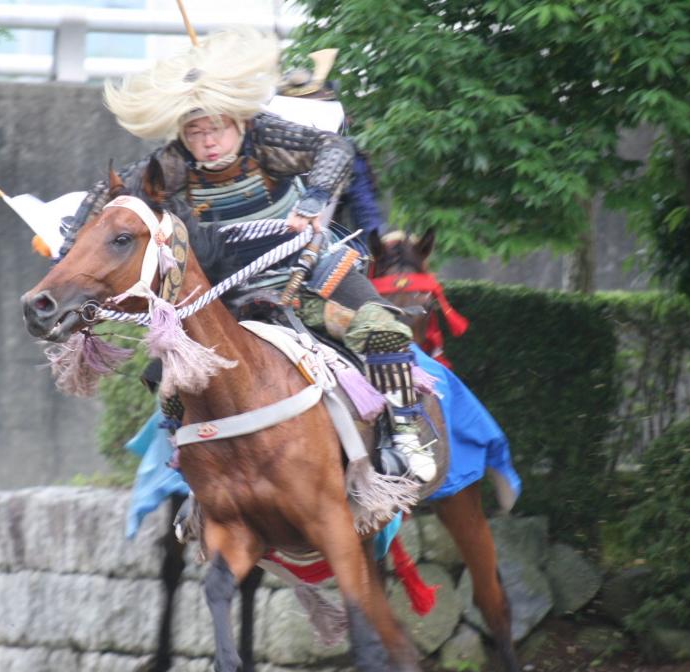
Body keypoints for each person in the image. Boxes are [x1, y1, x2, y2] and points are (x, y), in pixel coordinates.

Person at [61, 28, 434, 483]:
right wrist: (67, 248)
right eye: (195, 131)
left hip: (310, 268)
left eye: (216, 127)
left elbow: (334, 147)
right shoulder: (174, 162)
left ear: (238, 121)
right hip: (230, 286)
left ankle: (403, 435)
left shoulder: (266, 138)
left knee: (383, 328)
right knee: (166, 368)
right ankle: (188, 461)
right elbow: (109, 197)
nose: (207, 140)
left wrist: (314, 199)